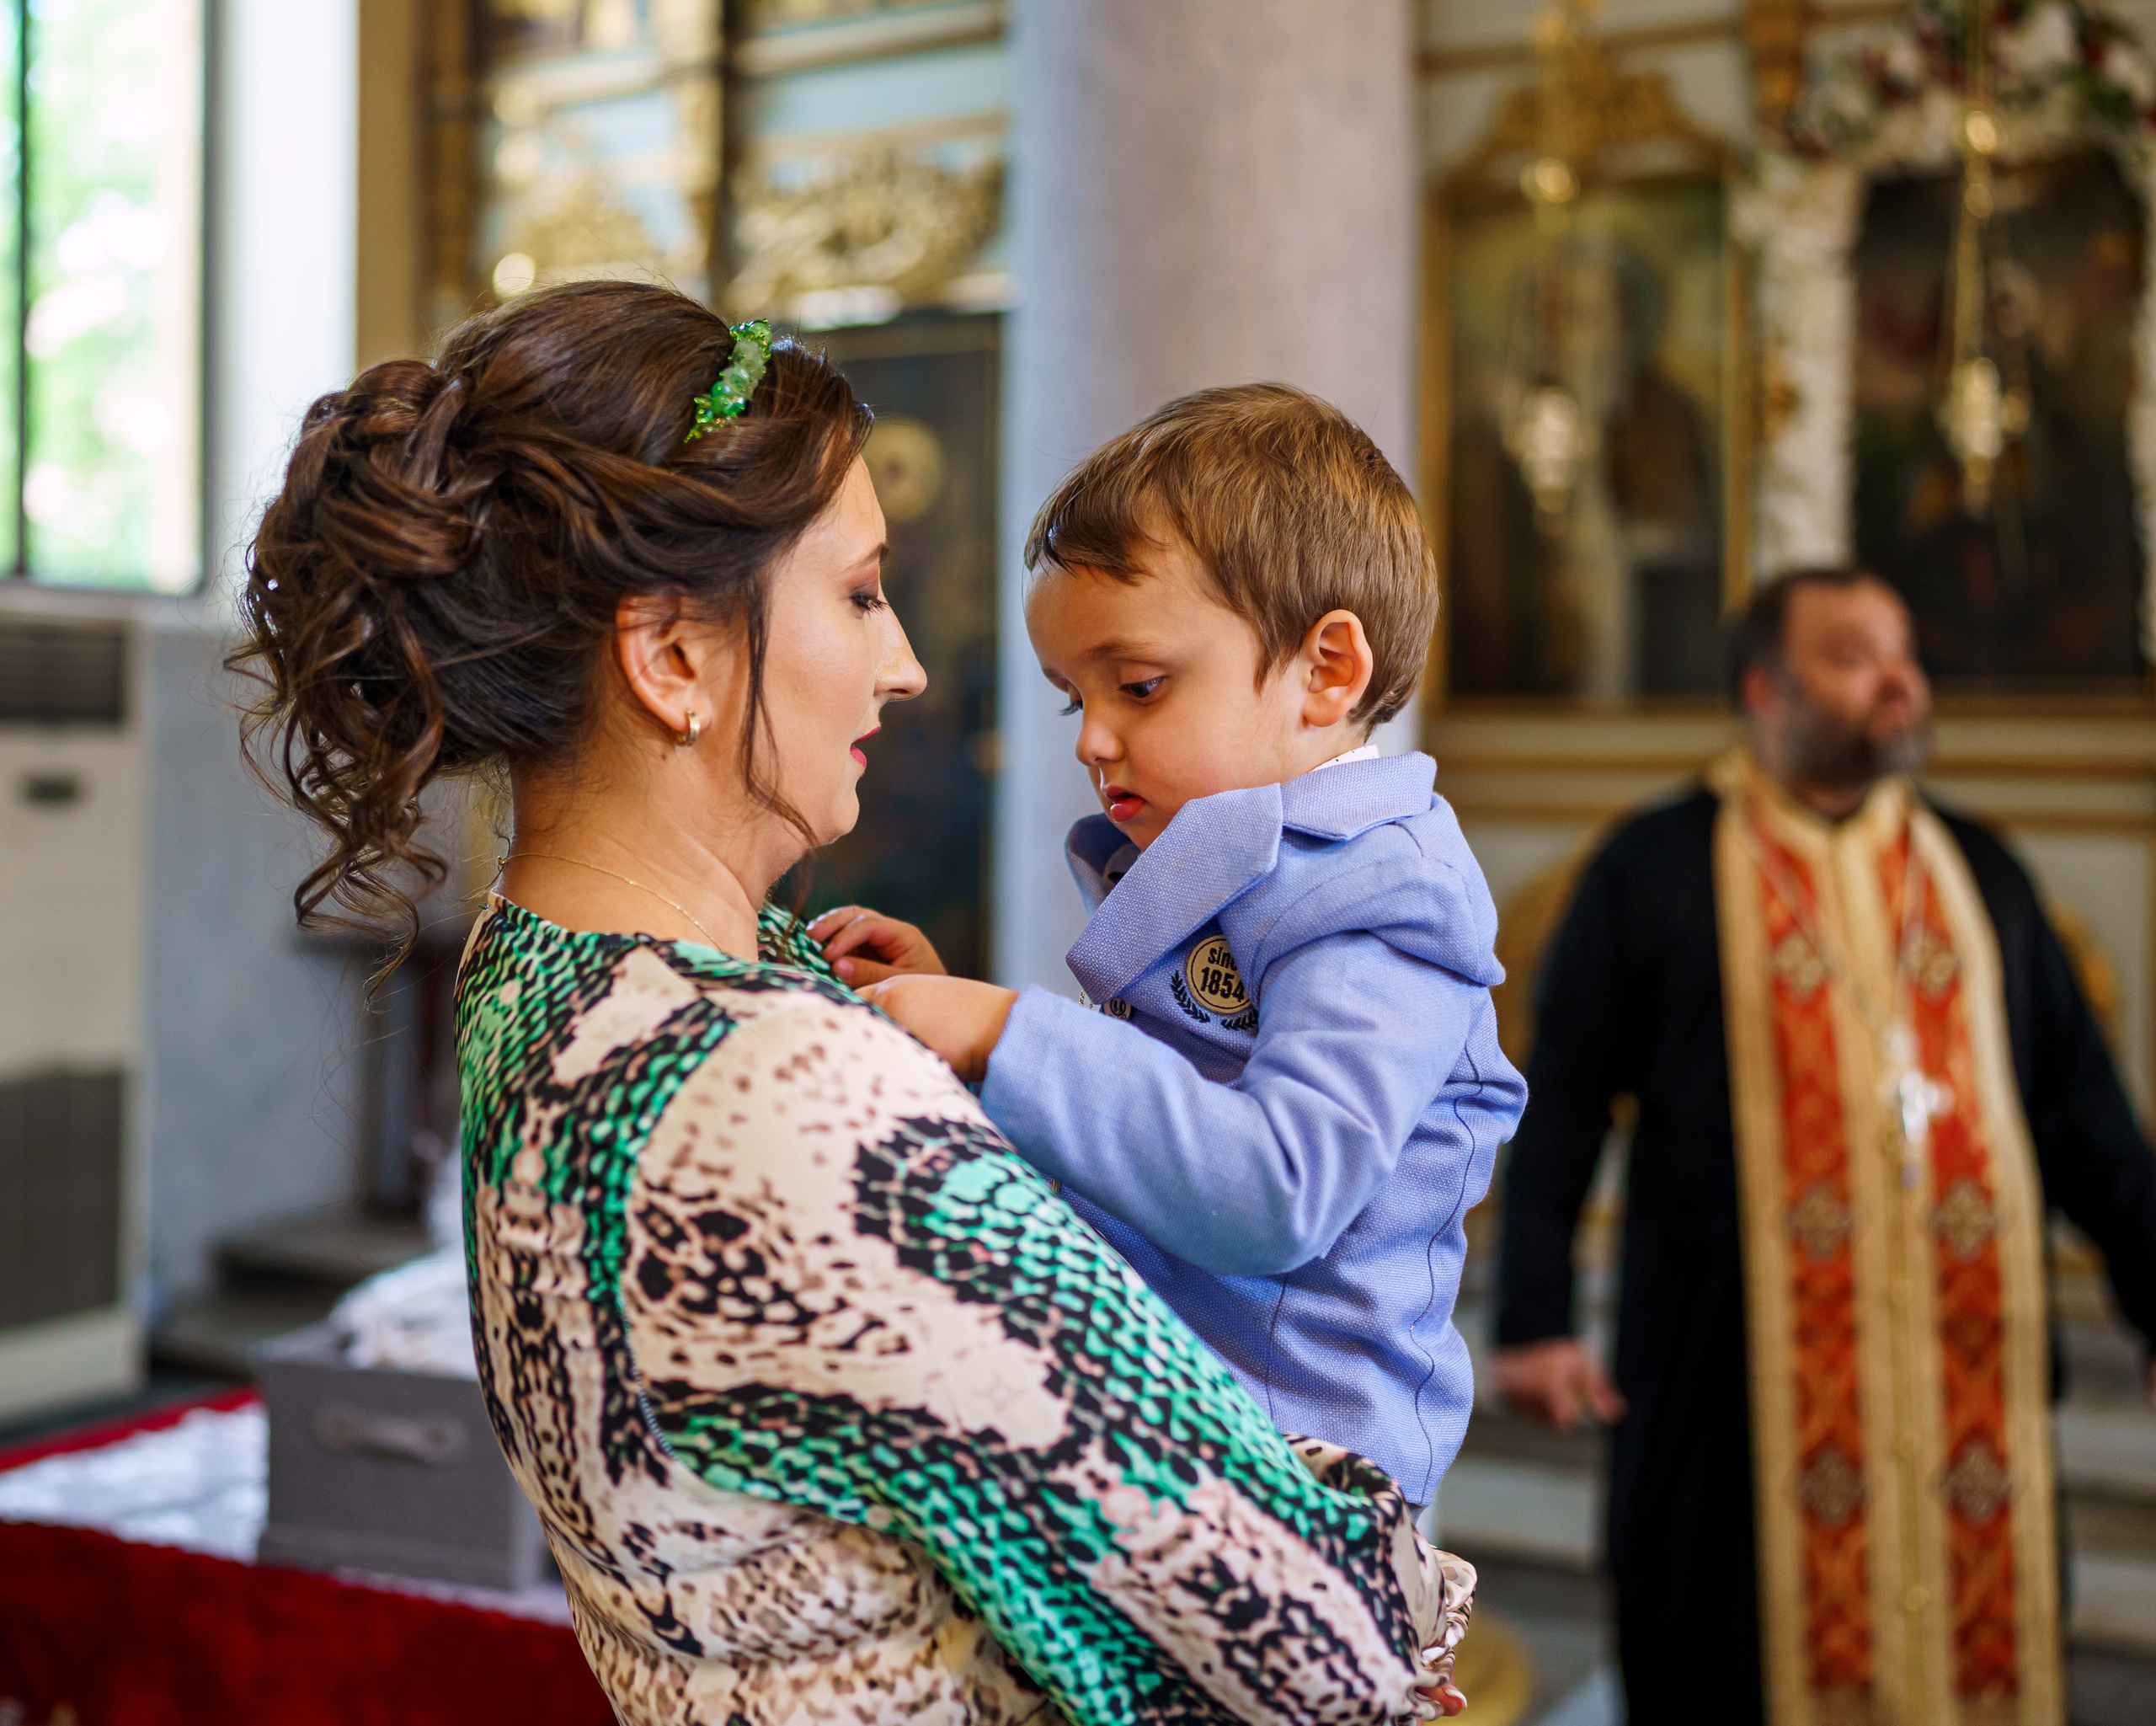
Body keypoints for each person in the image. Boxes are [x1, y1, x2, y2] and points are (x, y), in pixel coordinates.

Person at [232, 282, 1476, 1725]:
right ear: (673, 654)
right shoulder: (772, 1086)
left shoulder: (533, 961)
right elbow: (1325, 1644)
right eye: (863, 591)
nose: (908, 663)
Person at [820, 384, 1526, 1510]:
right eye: (1073, 701)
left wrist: (1006, 1033)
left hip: (1301, 1467)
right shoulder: (1259, 856)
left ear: (1328, 670)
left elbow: (1277, 1186)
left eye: (1140, 685)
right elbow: (1160, 1110)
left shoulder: (1388, 897)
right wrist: (950, 1006)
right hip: (1179, 1418)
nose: (1097, 739)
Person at [1492, 567, 2156, 1726]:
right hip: (1730, 1395)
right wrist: (1535, 1315)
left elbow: (2087, 1118)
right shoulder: (1653, 868)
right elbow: (1558, 1103)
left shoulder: (1979, 872)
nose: (1898, 676)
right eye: (1854, 652)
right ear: (1765, 688)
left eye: (1903, 649)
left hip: (1962, 1384)